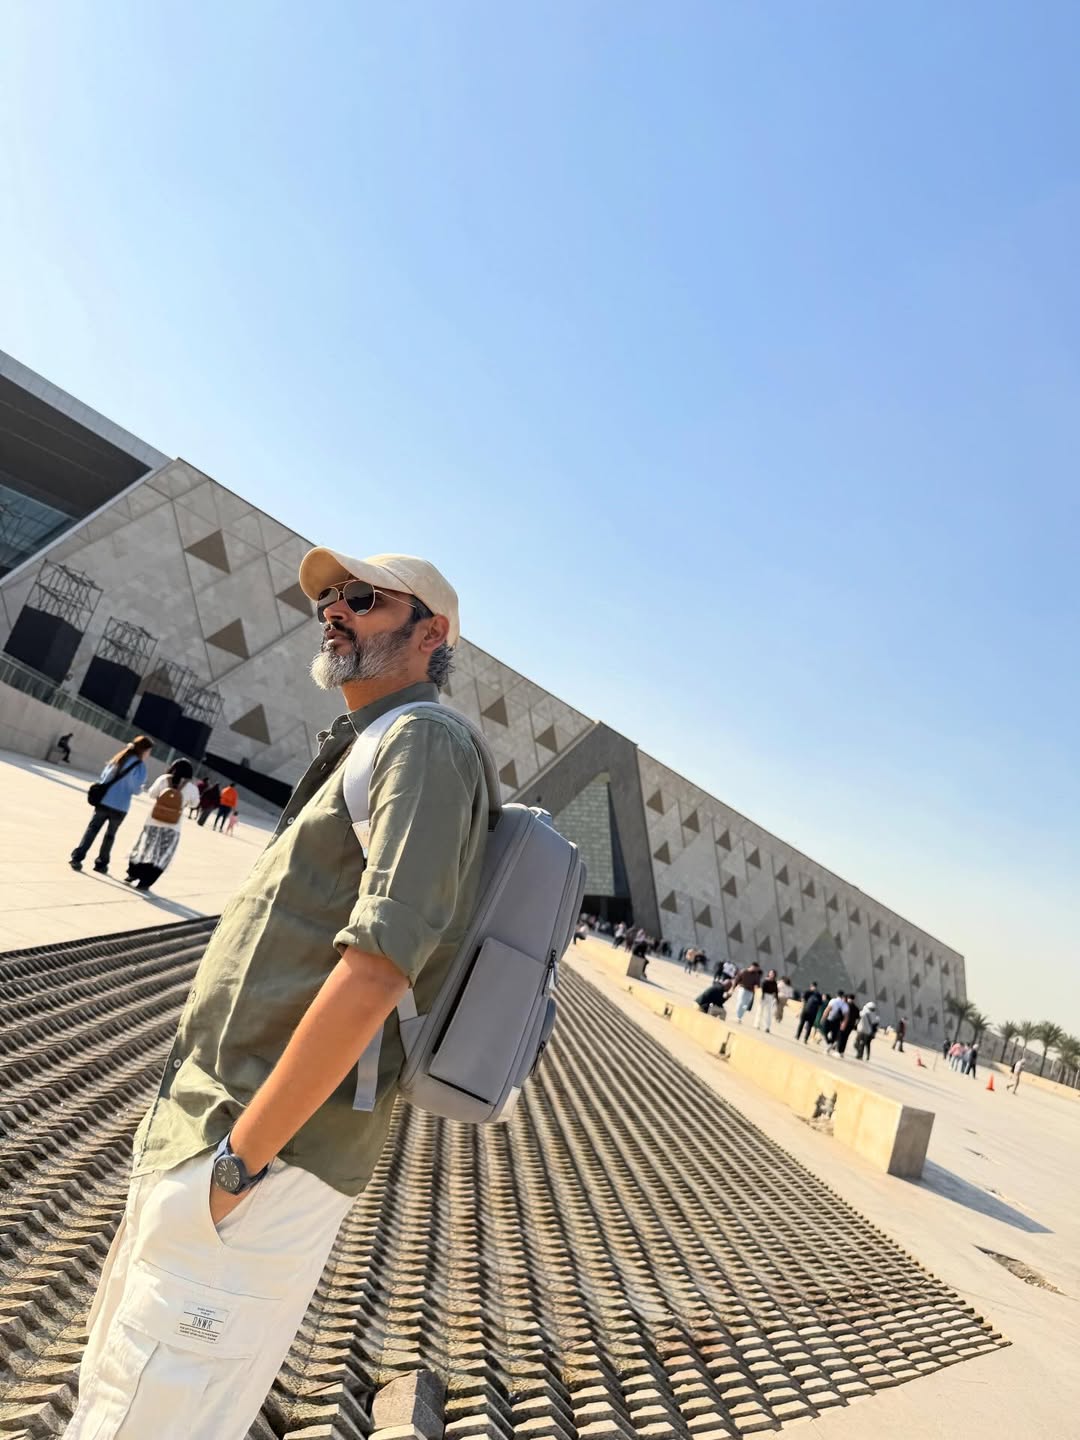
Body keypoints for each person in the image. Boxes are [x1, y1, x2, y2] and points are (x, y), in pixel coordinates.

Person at [67, 547, 483, 1439]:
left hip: (258, 1156)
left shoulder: (425, 743)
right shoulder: (367, 747)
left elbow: (378, 968)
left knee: (151, 1414)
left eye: (364, 599)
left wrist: (237, 1166)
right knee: (119, 1395)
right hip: (209, 1136)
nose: (334, 611)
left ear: (430, 633)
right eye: (328, 599)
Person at [69, 736, 153, 875]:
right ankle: (101, 863)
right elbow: (136, 789)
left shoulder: (120, 757)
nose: (149, 754)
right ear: (143, 750)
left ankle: (77, 858)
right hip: (121, 806)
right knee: (110, 835)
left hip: (105, 801)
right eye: (149, 751)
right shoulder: (140, 766)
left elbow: (104, 777)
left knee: (92, 830)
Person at [124, 760, 201, 891]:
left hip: (153, 821)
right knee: (161, 856)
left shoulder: (164, 779)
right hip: (172, 826)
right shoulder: (192, 788)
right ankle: (145, 882)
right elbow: (195, 804)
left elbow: (152, 794)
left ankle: (132, 874)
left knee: (143, 849)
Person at [755, 968, 779, 1032]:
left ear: (775, 975)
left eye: (773, 974)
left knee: (768, 1013)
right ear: (769, 973)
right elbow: (762, 989)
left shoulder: (774, 983)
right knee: (760, 1010)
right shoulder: (765, 981)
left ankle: (767, 1027)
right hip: (764, 996)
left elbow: (776, 991)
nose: (772, 974)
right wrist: (762, 997)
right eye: (771, 973)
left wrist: (777, 999)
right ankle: (757, 1024)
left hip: (770, 997)